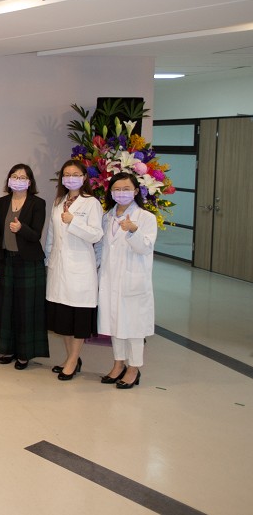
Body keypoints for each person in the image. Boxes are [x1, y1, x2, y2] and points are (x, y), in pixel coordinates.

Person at [45, 159, 104, 381]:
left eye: (75, 174)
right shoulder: (59, 202)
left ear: (84, 177)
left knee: (78, 317)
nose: (70, 178)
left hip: (80, 268)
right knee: (63, 318)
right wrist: (48, 260)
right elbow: (51, 234)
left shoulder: (91, 203)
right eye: (66, 175)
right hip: (58, 267)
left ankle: (72, 360)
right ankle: (71, 357)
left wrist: (73, 222)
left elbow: (96, 234)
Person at [97, 172, 157, 390]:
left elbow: (146, 248)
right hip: (110, 278)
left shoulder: (146, 218)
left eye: (126, 189)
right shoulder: (107, 217)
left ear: (136, 191)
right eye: (117, 189)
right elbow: (101, 247)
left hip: (133, 279)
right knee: (115, 324)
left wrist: (134, 230)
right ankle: (118, 364)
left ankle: (134, 368)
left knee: (133, 327)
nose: (121, 193)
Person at [0, 164, 49, 369]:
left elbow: (36, 234)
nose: (18, 180)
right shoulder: (2, 201)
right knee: (6, 307)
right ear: (9, 180)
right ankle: (7, 349)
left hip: (29, 261)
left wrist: (21, 228)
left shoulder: (37, 203)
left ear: (29, 182)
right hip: (6, 260)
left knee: (26, 308)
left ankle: (24, 354)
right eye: (14, 176)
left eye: (22, 177)